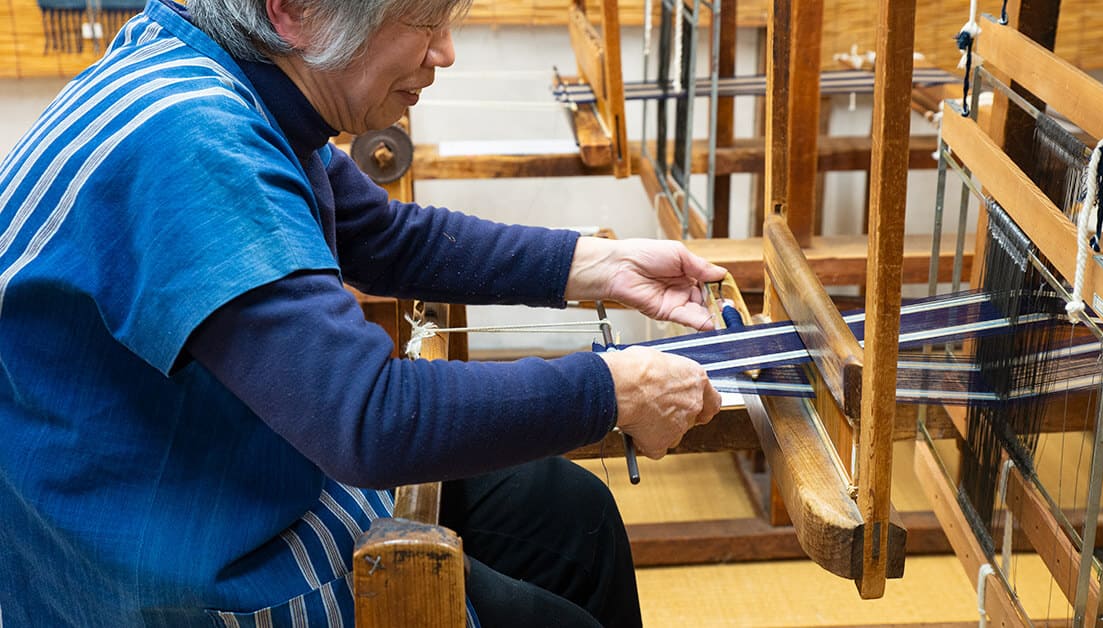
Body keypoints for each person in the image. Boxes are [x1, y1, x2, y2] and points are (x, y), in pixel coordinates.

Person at [0, 0, 726, 625]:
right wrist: (616, 390)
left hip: (211, 467)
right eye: (420, 20)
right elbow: (371, 421)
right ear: (294, 12)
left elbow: (380, 235)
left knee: (573, 517)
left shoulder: (222, 65)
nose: (444, 51)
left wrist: (599, 266)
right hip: (166, 561)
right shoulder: (196, 142)